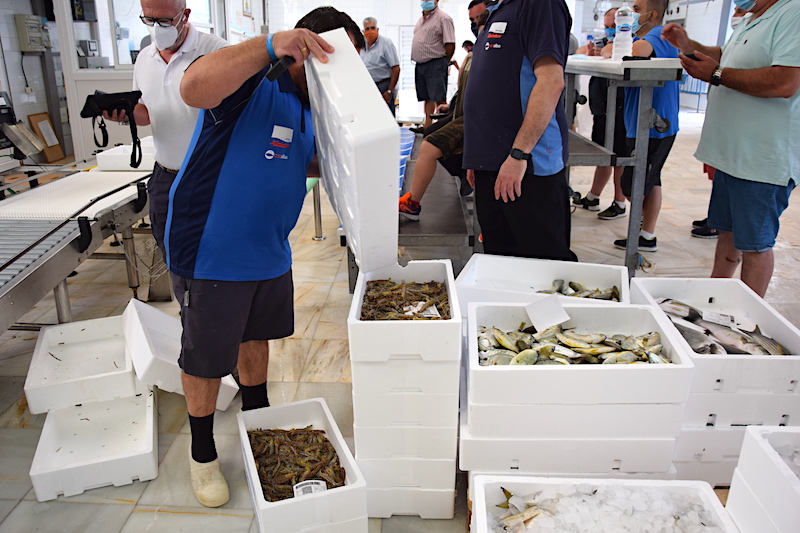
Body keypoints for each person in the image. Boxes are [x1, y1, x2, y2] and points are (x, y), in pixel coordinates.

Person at [168, 8, 364, 508]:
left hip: (270, 250)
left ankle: (256, 419)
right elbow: (193, 87)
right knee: (207, 355)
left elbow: (313, 161)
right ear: (307, 51)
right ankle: (203, 451)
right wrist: (271, 43)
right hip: (212, 247)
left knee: (256, 339)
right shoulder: (252, 83)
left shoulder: (308, 105)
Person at [663, 0, 800, 297]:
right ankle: (716, 299)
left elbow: (785, 81)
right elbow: (726, 57)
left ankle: (747, 323)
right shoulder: (753, 18)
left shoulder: (793, 13)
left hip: (761, 159)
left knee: (755, 244)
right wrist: (689, 44)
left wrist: (716, 75)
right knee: (728, 232)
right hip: (731, 154)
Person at [104, 0, 228, 257]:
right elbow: (147, 114)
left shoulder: (215, 51)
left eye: (165, 21)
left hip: (211, 175)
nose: (157, 28)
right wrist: (123, 114)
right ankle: (182, 296)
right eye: (149, 20)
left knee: (213, 251)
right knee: (169, 246)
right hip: (165, 174)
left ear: (185, 15)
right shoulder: (145, 60)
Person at [463, 0, 578, 261]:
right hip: (491, 163)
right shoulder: (499, 10)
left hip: (526, 164)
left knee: (543, 263)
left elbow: (550, 81)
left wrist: (519, 154)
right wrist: (477, 157)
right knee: (501, 258)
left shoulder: (539, 5)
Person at [398, 9, 490, 221]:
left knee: (430, 145)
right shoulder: (473, 56)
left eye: (478, 22)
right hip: (463, 113)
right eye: (472, 21)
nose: (475, 26)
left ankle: (413, 203)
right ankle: (461, 172)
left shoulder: (493, 58)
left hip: (478, 118)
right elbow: (465, 90)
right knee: (428, 134)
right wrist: (451, 106)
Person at [602, 0, 679, 253]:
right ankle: (646, 234)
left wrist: (619, 41)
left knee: (636, 182)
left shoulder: (656, 36)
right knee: (649, 179)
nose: (630, 14)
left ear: (652, 13)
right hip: (645, 121)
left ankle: (644, 233)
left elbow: (626, 52)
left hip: (653, 123)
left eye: (635, 9)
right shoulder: (644, 38)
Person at [572, 8, 628, 220]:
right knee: (603, 154)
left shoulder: (628, 44)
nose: (610, 30)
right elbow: (579, 51)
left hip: (620, 109)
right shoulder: (604, 43)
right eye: (607, 26)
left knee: (619, 157)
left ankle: (619, 202)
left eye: (613, 26)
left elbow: (612, 53)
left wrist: (604, 51)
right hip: (603, 109)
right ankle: (594, 196)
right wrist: (590, 51)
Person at [412, 0, 455, 129]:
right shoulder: (421, 20)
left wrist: (443, 63)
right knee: (427, 97)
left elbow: (450, 43)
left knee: (439, 97)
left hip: (436, 62)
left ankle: (443, 128)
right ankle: (428, 126)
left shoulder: (443, 18)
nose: (426, 1)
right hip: (421, 64)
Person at [360, 17, 400, 116]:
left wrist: (390, 91)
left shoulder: (386, 43)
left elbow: (396, 68)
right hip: (368, 86)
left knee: (386, 116)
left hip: (383, 86)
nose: (370, 31)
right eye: (367, 29)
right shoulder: (361, 45)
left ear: (377, 30)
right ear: (363, 31)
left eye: (372, 28)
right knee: (370, 116)